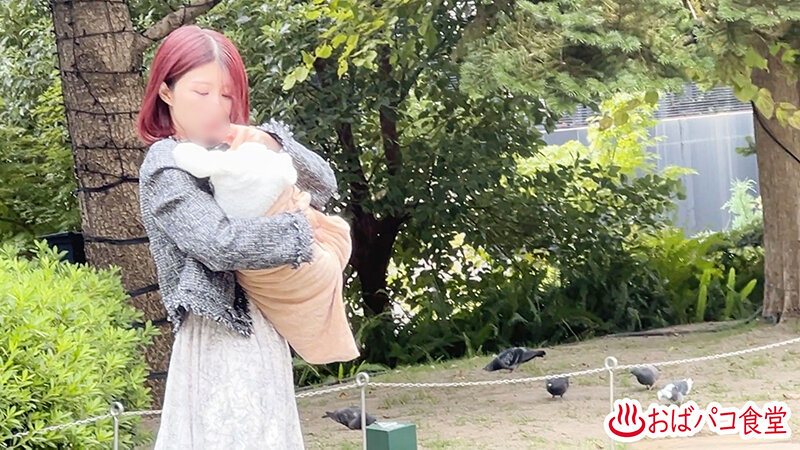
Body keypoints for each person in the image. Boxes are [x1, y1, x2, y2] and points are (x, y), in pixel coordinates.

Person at [136, 24, 338, 449]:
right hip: (218, 336)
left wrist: (271, 142)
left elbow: (323, 184)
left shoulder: (241, 145)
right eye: (201, 91)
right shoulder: (164, 165)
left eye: (227, 94)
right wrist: (302, 228)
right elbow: (218, 243)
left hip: (267, 328)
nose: (217, 105)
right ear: (166, 92)